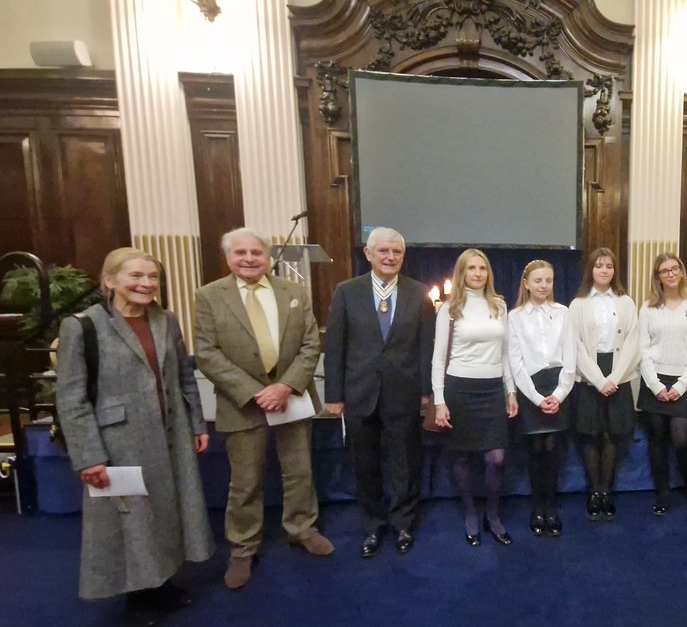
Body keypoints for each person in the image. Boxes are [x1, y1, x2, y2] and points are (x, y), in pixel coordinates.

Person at [56, 247, 214, 627]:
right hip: (119, 439)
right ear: (109, 281)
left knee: (168, 508)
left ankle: (162, 583)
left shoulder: (166, 320)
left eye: (153, 277)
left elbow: (183, 378)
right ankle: (139, 596)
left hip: (171, 433)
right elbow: (71, 397)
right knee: (132, 517)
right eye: (136, 276)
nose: (146, 284)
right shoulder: (82, 326)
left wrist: (196, 424)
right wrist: (88, 455)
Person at [193, 227, 329, 590]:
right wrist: (256, 392)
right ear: (228, 257)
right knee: (245, 480)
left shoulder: (294, 292)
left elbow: (310, 343)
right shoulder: (208, 296)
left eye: (257, 252)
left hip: (292, 397)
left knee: (299, 471)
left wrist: (284, 387)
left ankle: (302, 528)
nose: (250, 258)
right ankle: (243, 546)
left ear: (268, 257)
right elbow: (206, 353)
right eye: (241, 253)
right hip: (243, 404)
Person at [324, 227, 435, 558]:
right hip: (359, 393)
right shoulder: (347, 292)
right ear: (368, 254)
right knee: (365, 463)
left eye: (397, 252)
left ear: (403, 256)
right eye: (383, 251)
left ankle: (403, 522)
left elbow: (425, 346)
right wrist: (333, 395)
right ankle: (372, 525)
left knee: (405, 461)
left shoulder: (419, 293)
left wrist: (426, 391)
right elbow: (335, 347)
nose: (390, 257)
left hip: (404, 393)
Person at [432, 248, 519, 546]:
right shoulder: (450, 308)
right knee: (462, 457)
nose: (478, 273)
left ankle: (492, 514)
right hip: (459, 388)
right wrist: (440, 400)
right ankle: (471, 512)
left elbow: (505, 353)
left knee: (496, 459)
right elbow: (438, 357)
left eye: (482, 268)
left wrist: (511, 390)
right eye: (471, 268)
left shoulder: (499, 306)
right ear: (462, 273)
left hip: (492, 389)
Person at [569, 247, 640, 521]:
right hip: (588, 374)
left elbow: (634, 341)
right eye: (599, 266)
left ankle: (607, 490)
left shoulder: (625, 302)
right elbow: (574, 345)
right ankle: (593, 491)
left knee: (612, 434)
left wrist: (615, 377)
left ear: (614, 270)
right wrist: (598, 379)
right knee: (590, 434)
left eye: (609, 266)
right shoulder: (578, 303)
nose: (604, 270)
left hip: (618, 374)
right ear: (591, 270)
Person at [507, 260, 575, 537]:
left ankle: (551, 506)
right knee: (535, 450)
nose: (543, 286)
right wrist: (537, 398)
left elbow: (571, 358)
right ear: (526, 283)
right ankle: (537, 507)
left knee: (554, 450)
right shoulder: (515, 316)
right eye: (538, 280)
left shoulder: (563, 312)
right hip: (530, 389)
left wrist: (558, 394)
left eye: (548, 280)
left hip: (559, 386)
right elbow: (515, 361)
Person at [638, 253, 687, 520]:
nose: (670, 274)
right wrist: (655, 386)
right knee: (657, 442)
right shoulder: (647, 308)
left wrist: (681, 385)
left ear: (681, 272)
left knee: (681, 440)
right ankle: (662, 493)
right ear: (657, 277)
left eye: (675, 268)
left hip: (683, 384)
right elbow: (642, 349)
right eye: (664, 271)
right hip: (654, 382)